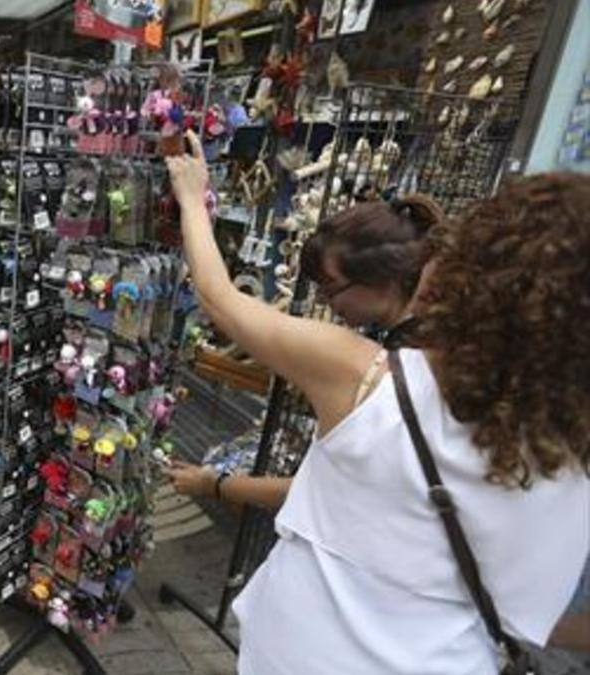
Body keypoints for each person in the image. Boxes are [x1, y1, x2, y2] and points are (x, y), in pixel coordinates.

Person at [164, 131, 589, 673]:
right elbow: (547, 615)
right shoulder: (567, 456)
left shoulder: (365, 378)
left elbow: (221, 300)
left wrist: (191, 195)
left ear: (473, 278)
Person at [168, 195, 442, 508]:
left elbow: (219, 299)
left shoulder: (358, 362)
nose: (326, 303)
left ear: (385, 278)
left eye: (332, 288)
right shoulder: (433, 354)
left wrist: (192, 199)